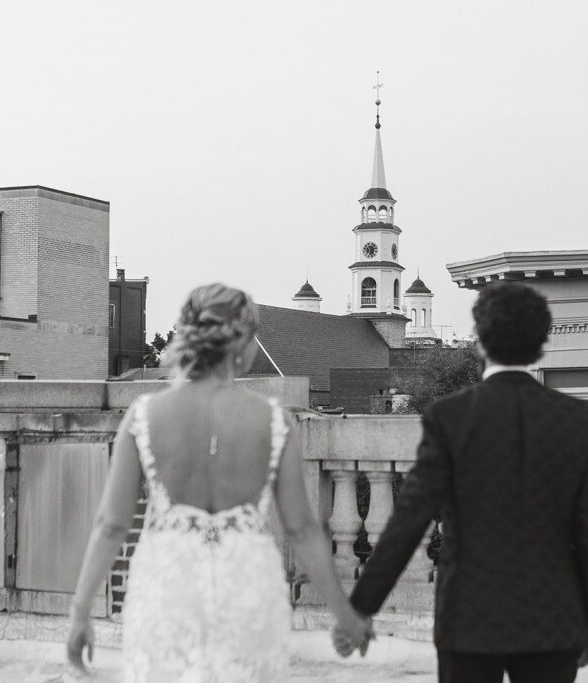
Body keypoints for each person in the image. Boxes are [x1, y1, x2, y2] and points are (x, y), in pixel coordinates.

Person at [67, 283, 372, 680]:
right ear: (241, 342)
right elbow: (302, 529)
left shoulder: (144, 416)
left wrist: (80, 614)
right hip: (246, 591)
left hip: (168, 589)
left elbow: (111, 525)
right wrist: (344, 614)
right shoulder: (273, 420)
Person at [342, 282, 588, 683]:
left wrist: (361, 607)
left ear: (480, 341)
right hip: (554, 618)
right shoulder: (578, 421)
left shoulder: (449, 418)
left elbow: (408, 521)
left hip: (468, 617)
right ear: (541, 345)